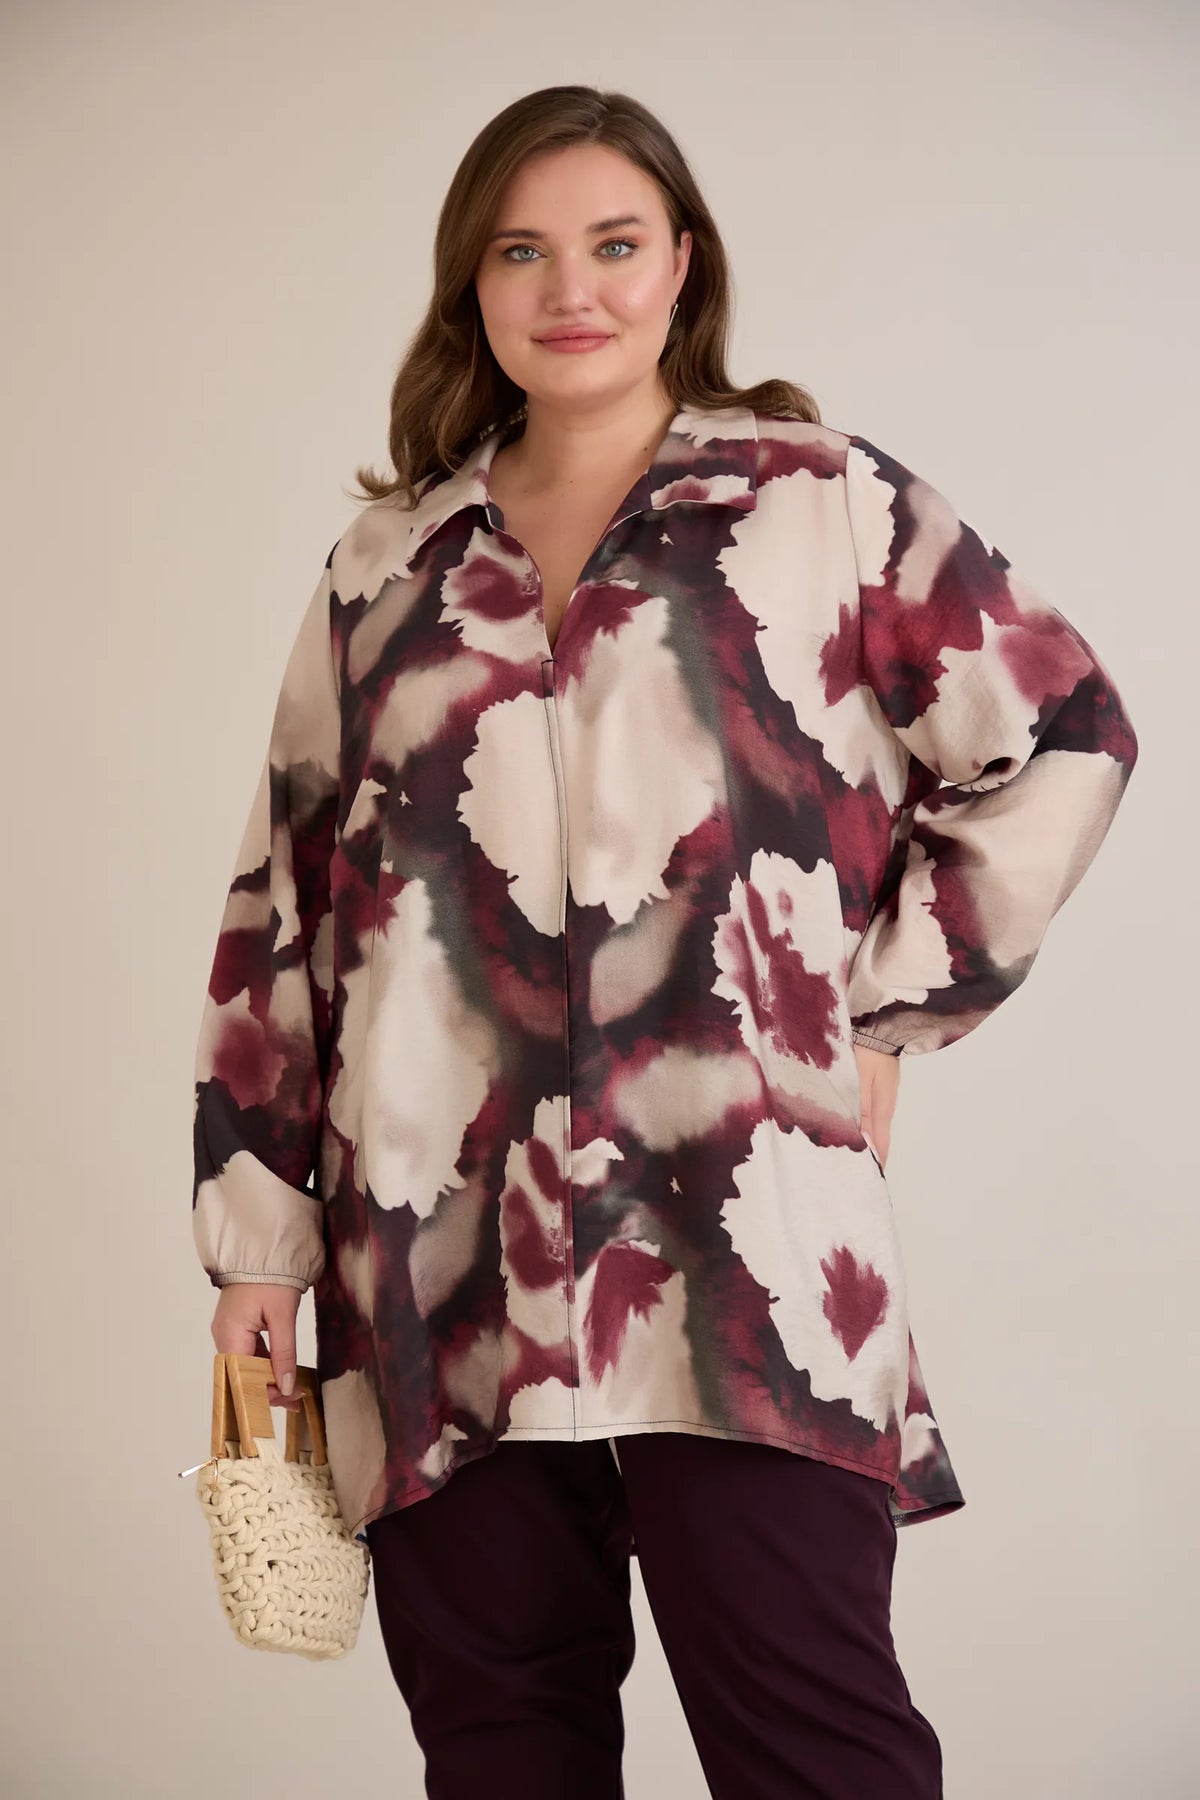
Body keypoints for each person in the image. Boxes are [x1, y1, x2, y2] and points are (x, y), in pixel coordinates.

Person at [192, 84, 1138, 1799]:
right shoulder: (383, 566)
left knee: (818, 1751)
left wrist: (883, 1013)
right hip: (434, 1254)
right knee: (502, 1756)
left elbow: (1061, 733)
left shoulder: (817, 502)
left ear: (682, 263)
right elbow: (286, 906)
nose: (573, 289)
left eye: (615, 244)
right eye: (523, 252)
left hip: (740, 1248)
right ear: (472, 283)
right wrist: (258, 1241)